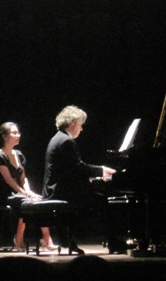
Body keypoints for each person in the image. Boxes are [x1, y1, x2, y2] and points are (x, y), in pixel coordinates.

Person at [42, 105, 126, 254]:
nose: (81, 129)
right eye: (80, 124)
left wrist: (95, 175)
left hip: (57, 188)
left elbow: (71, 169)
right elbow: (78, 167)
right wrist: (101, 171)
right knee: (102, 202)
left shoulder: (57, 138)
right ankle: (113, 242)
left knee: (96, 200)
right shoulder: (66, 141)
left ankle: (69, 239)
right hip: (62, 191)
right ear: (73, 123)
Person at [0, 121, 57, 251]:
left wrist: (29, 191)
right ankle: (19, 237)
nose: (18, 135)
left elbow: (23, 178)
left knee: (39, 201)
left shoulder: (18, 154)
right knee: (25, 202)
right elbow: (9, 180)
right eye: (14, 133)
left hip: (16, 192)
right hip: (2, 193)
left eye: (18, 132)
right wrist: (25, 194)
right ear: (4, 136)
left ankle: (46, 239)